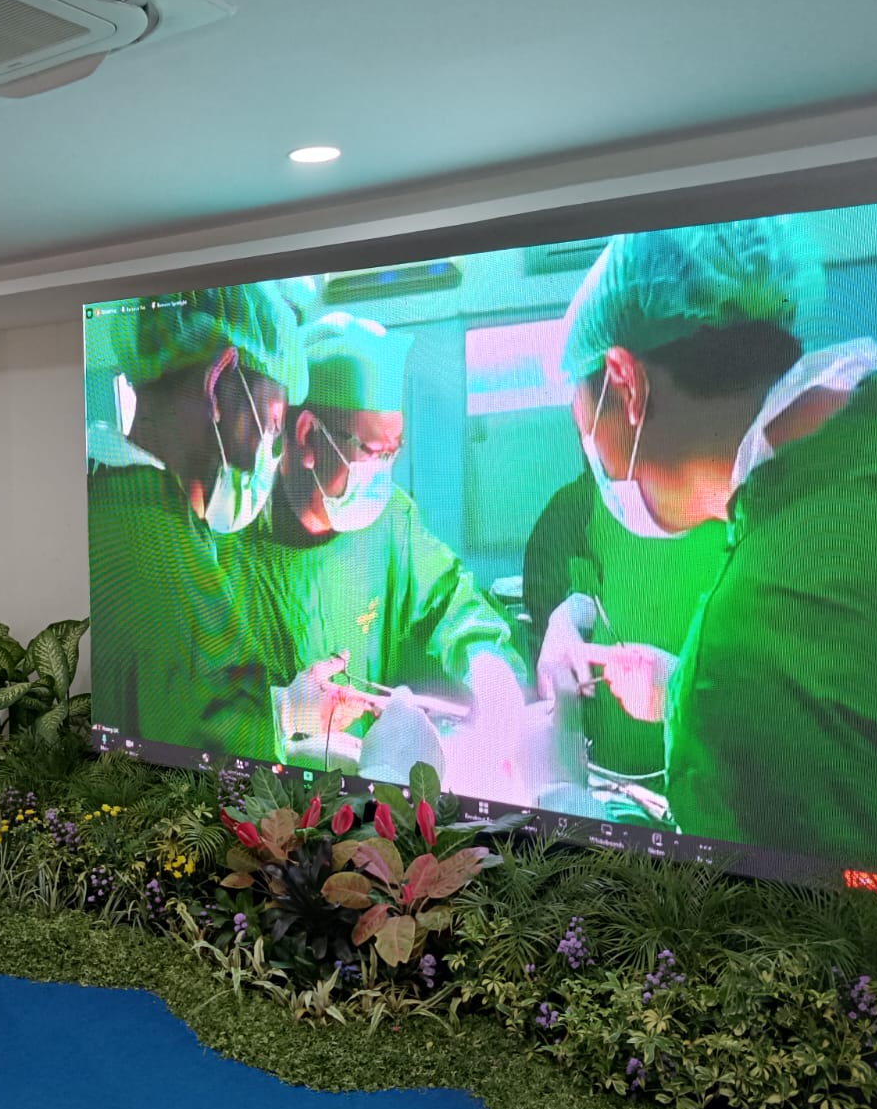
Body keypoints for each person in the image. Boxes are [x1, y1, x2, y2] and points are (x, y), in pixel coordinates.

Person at [555, 215, 877, 863]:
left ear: (627, 385)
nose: (598, 467)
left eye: (588, 431)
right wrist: (681, 688)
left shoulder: (751, 642)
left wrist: (706, 702)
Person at [217, 312, 527, 789]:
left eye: (394, 451)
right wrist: (280, 713)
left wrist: (488, 663)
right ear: (307, 437)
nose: (383, 472)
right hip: (256, 796)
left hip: (371, 788)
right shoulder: (231, 543)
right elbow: (189, 701)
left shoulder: (390, 522)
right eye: (371, 451)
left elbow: (452, 600)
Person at [86, 283, 307, 764]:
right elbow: (213, 746)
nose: (269, 453)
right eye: (273, 422)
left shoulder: (104, 495)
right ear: (219, 381)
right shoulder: (155, 540)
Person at [523, 468, 726, 804]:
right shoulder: (609, 498)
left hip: (716, 803)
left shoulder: (758, 511)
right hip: (614, 772)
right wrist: (572, 612)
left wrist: (683, 693)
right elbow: (613, 589)